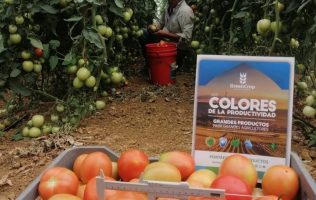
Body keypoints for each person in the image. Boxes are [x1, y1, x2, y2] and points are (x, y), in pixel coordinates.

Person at [140, 0, 194, 75]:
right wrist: (154, 27)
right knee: (144, 33)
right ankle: (150, 64)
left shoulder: (185, 11)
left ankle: (177, 61)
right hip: (164, 40)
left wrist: (165, 34)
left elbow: (187, 37)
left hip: (176, 47)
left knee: (152, 37)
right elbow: (161, 23)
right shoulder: (169, 7)